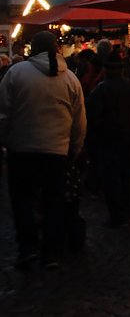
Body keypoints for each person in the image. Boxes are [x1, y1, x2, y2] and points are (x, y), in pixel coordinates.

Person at [0, 31, 87, 269]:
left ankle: (27, 248)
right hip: (57, 151)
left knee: (22, 200)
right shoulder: (70, 79)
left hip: (22, 149)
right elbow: (79, 121)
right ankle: (51, 251)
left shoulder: (16, 74)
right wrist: (74, 148)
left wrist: (6, 141)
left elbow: (3, 113)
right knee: (53, 200)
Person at [86, 52, 130, 228]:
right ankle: (128, 211)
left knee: (111, 179)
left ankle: (117, 215)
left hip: (109, 140)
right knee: (128, 177)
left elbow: (92, 118)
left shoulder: (100, 90)